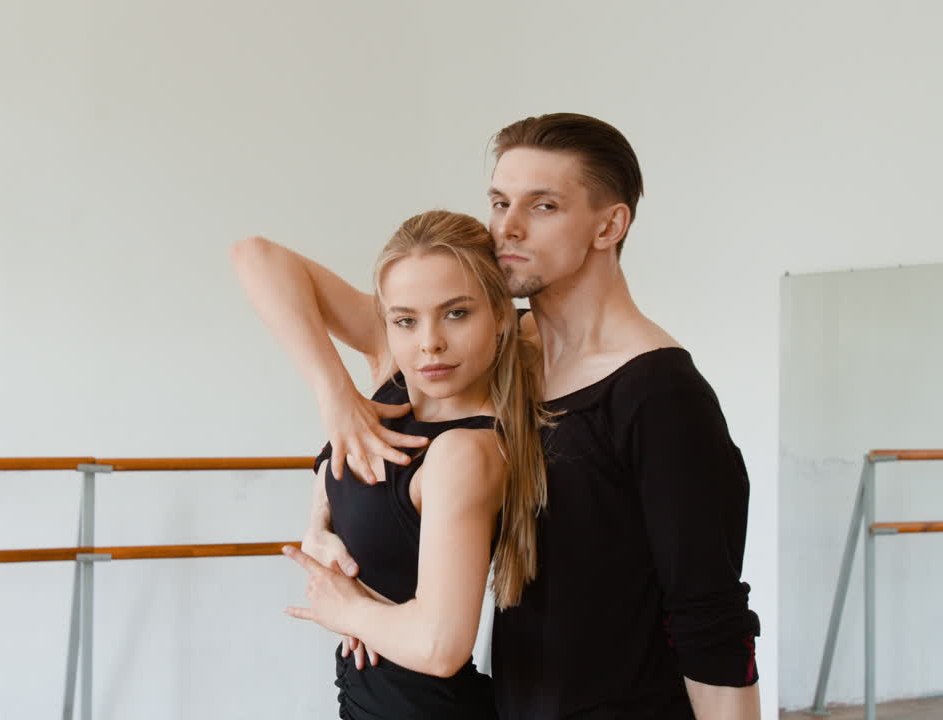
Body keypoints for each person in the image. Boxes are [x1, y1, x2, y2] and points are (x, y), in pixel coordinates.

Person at [232, 113, 762, 719]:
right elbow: (260, 261)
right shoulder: (495, 356)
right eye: (500, 201)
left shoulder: (660, 394)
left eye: (543, 206)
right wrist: (333, 432)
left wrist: (351, 609)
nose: (507, 227)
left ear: (609, 225)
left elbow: (712, 619)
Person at [234, 209, 549, 719]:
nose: (429, 342)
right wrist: (335, 395)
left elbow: (439, 649)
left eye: (457, 313)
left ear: (499, 314)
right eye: (405, 319)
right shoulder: (397, 369)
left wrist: (346, 609)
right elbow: (254, 255)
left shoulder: (466, 451)